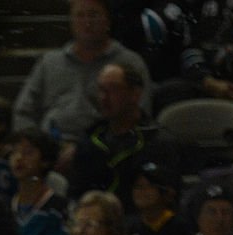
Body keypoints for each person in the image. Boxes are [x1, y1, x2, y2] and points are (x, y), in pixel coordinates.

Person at [11, 0, 151, 171]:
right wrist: (38, 148)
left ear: (108, 20)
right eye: (80, 15)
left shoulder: (130, 62)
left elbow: (140, 113)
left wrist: (85, 149)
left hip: (105, 149)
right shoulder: (49, 62)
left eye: (93, 15)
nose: (87, 22)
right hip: (49, 151)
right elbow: (23, 112)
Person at [67, 58, 181, 213]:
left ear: (135, 94)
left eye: (112, 89)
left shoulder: (159, 142)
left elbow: (168, 200)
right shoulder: (89, 139)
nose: (104, 98)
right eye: (101, 90)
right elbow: (75, 193)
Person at [6, 127, 73, 235]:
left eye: (28, 152)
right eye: (14, 152)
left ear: (45, 161)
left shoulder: (61, 209)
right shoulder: (3, 209)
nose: (18, 158)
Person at [127, 160, 193, 235]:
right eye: (138, 187)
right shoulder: (128, 227)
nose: (142, 192)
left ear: (168, 193)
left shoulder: (182, 227)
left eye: (149, 187)